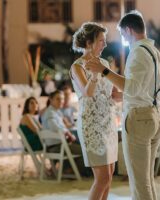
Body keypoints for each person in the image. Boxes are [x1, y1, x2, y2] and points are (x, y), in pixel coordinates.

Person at [86, 11, 160, 200]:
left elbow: (132, 86)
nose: (122, 38)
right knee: (147, 180)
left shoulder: (137, 51)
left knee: (140, 183)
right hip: (155, 116)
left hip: (139, 119)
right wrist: (123, 96)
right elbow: (145, 89)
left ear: (128, 30)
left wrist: (104, 70)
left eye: (122, 34)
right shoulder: (156, 53)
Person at [70, 22, 119, 200]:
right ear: (89, 42)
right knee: (102, 177)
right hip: (91, 126)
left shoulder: (104, 62)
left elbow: (112, 94)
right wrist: (97, 72)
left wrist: (136, 93)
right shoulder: (77, 67)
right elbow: (87, 92)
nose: (105, 45)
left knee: (110, 175)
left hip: (108, 123)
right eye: (101, 40)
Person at [40, 90, 85, 173]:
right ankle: (81, 172)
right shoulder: (50, 113)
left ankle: (69, 170)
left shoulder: (56, 112)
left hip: (59, 145)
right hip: (55, 147)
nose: (61, 101)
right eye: (58, 99)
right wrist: (68, 133)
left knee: (80, 147)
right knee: (84, 150)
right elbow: (54, 127)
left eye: (62, 99)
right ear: (51, 100)